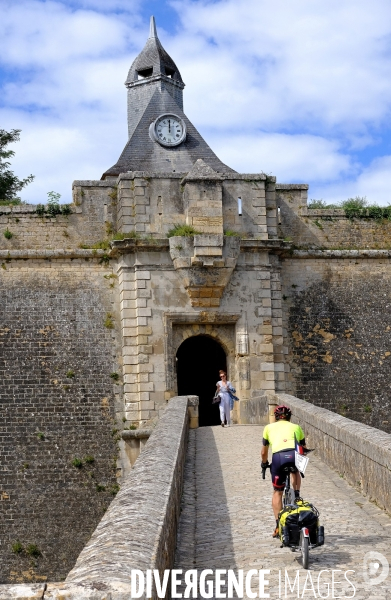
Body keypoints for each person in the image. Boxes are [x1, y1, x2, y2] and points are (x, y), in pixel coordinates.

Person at [260, 405, 307, 537]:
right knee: (295, 470)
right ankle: (296, 493)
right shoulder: (297, 427)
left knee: (277, 492)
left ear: (275, 418)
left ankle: (278, 526)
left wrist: (264, 463)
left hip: (278, 458)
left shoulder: (268, 428)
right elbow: (303, 449)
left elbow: (264, 452)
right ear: (289, 417)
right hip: (294, 455)